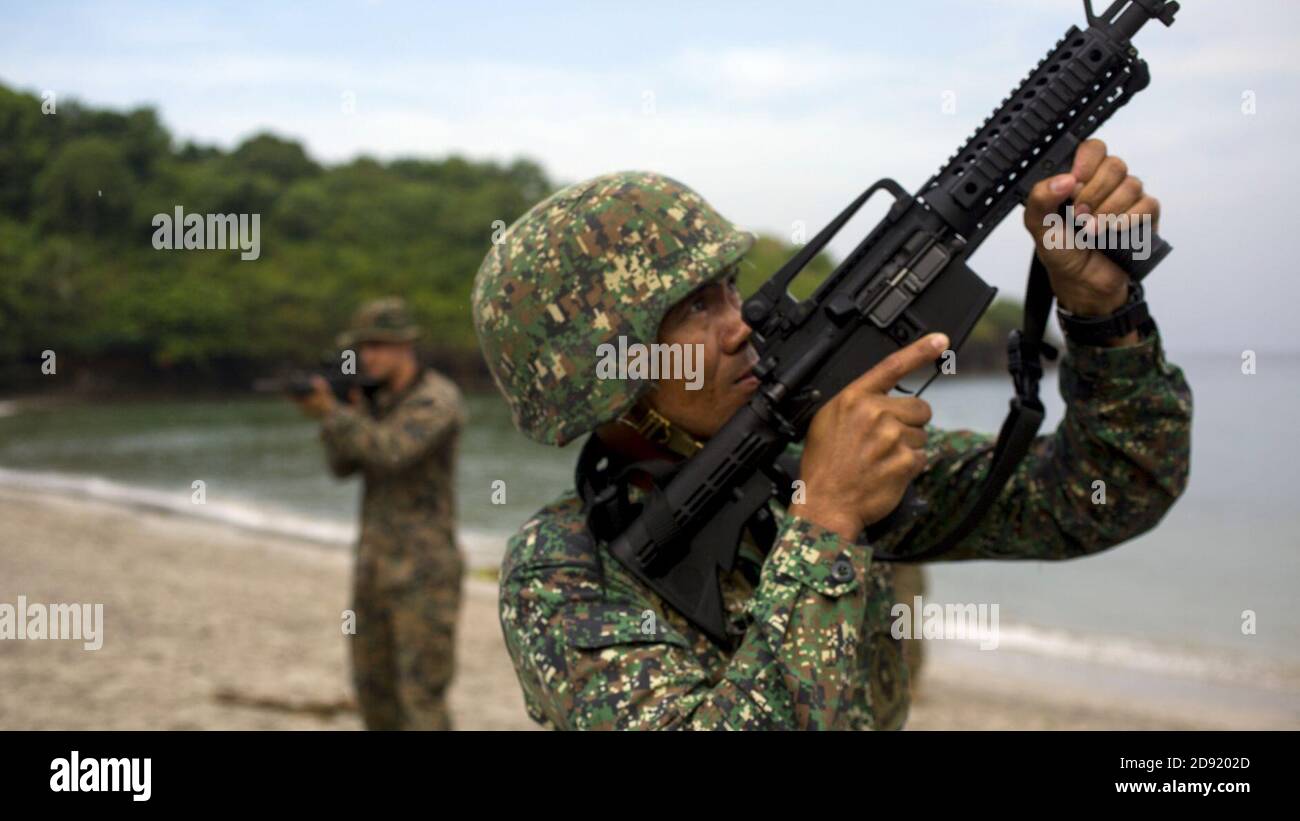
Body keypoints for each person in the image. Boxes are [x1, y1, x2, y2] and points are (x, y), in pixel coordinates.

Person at [472, 140, 1191, 730]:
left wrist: (1104, 313)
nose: (741, 322)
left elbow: (1105, 492)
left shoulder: (799, 460)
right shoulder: (563, 570)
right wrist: (828, 521)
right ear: (608, 372)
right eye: (696, 305)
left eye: (728, 285)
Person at [296, 297, 466, 730]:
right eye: (362, 347)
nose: (366, 357)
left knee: (421, 697)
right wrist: (337, 415)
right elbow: (343, 467)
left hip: (424, 571)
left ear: (404, 345)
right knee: (374, 691)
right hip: (373, 566)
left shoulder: (437, 399)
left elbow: (393, 452)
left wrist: (334, 414)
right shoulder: (372, 403)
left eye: (375, 346)